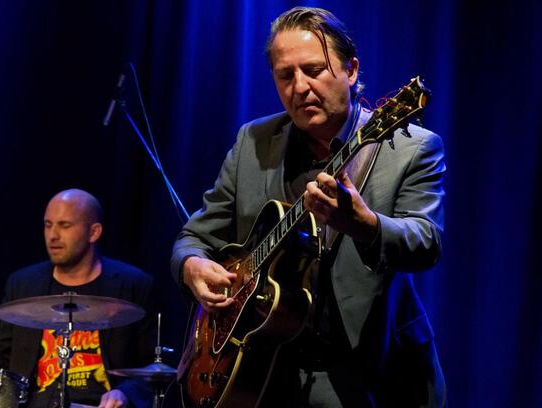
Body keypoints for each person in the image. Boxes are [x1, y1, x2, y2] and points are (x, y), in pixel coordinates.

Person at [171, 6, 446, 407]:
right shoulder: (253, 142)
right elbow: (195, 237)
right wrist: (191, 266)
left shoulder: (412, 149)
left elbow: (426, 242)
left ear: (351, 70)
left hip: (370, 376)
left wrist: (364, 224)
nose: (299, 87)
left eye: (313, 70)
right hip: (264, 372)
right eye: (286, 76)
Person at [0, 189, 155, 408]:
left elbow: (154, 367)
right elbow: (3, 356)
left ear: (94, 232)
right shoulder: (24, 284)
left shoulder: (131, 286)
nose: (53, 235)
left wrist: (125, 393)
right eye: (48, 225)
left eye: (65, 225)